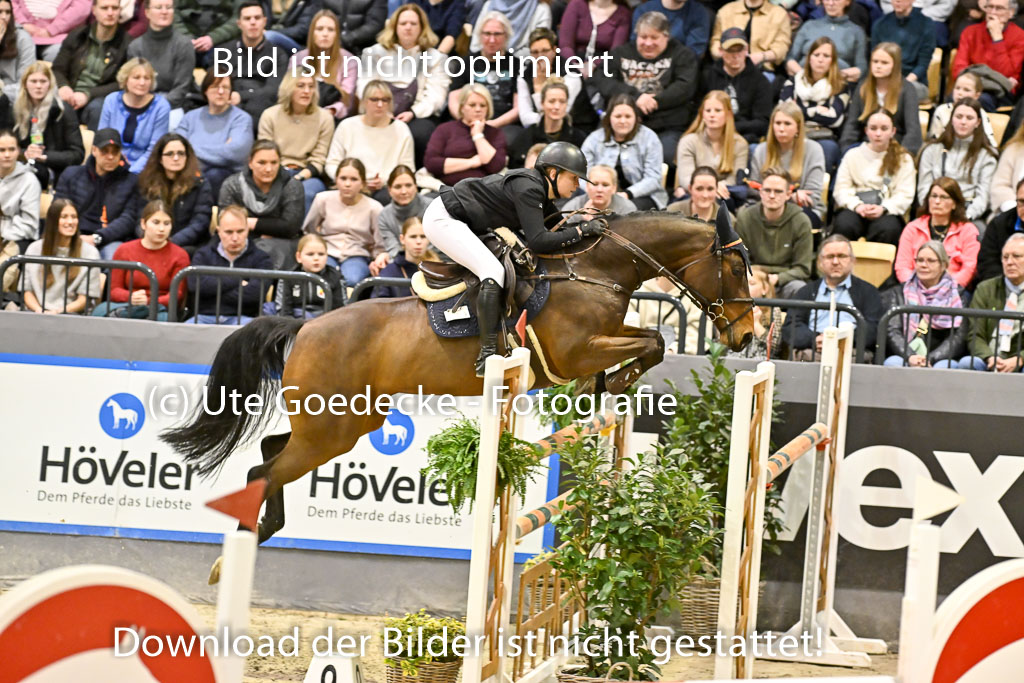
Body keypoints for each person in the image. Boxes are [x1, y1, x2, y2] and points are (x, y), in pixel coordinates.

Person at [421, 141, 604, 374]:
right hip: (443, 219)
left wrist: (585, 231)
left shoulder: (542, 194)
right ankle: (487, 354)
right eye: (574, 178)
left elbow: (558, 231)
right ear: (553, 173)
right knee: (492, 271)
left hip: (463, 221)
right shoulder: (529, 189)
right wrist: (581, 231)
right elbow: (539, 241)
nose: (578, 185)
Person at [594, 10, 699, 164]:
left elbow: (685, 87)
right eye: (643, 37)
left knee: (666, 156)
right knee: (602, 157)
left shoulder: (683, 55)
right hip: (622, 122)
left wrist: (655, 101)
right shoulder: (620, 53)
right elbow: (603, 80)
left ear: (666, 37)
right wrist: (635, 98)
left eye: (654, 38)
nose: (648, 43)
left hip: (667, 125)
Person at [359, 4, 450, 166]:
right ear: (394, 27)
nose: (408, 27)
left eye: (413, 24)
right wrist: (382, 110)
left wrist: (413, 113)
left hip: (415, 115)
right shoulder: (374, 53)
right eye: (403, 23)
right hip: (378, 109)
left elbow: (437, 96)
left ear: (422, 28)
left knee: (421, 132)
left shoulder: (436, 58)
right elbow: (364, 86)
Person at [782, 234, 884, 360]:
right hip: (812, 351)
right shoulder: (805, 292)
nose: (835, 262)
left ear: (853, 261)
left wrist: (840, 339)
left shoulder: (868, 291)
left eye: (841, 256)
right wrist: (815, 339)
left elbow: (874, 328)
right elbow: (791, 326)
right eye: (830, 257)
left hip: (851, 352)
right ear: (820, 263)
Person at [91, 199, 190, 319]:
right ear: (143, 224)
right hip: (126, 305)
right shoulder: (124, 250)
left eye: (167, 223)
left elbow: (177, 295)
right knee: (100, 311)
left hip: (159, 309)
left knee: (162, 317)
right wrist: (131, 297)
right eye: (156, 222)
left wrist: (148, 301)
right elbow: (114, 290)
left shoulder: (180, 255)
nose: (161, 229)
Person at [301, 157, 388, 288]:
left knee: (351, 279)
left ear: (363, 183)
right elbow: (310, 230)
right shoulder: (322, 199)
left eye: (354, 179)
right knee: (324, 277)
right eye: (343, 178)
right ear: (336, 180)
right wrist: (317, 250)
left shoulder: (374, 208)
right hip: (327, 252)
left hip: (357, 255)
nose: (347, 184)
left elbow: (380, 243)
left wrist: (377, 258)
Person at [833, 107, 916, 244]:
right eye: (873, 128)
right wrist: (857, 206)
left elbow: (905, 194)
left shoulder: (904, 159)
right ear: (866, 131)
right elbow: (841, 189)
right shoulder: (852, 155)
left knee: (889, 229)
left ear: (893, 131)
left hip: (886, 211)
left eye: (884, 129)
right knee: (844, 224)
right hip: (856, 209)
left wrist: (884, 208)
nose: (878, 133)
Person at [53, 128, 140, 258]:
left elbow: (128, 219)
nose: (110, 157)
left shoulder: (132, 181)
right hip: (73, 234)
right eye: (105, 151)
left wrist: (97, 238)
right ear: (94, 150)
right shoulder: (71, 175)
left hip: (111, 239)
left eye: (115, 152)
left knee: (114, 256)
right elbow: (57, 211)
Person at [218, 140, 304, 270]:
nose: (268, 169)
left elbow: (290, 227)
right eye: (261, 163)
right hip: (239, 240)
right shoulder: (233, 185)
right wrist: (270, 228)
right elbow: (227, 224)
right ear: (250, 163)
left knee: (266, 250)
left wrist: (251, 223)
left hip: (283, 243)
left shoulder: (292, 186)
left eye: (274, 163)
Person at [326, 80, 416, 203]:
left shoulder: (401, 129)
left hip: (386, 187)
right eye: (374, 99)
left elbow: (407, 167)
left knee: (385, 198)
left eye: (385, 100)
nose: (380, 104)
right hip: (350, 185)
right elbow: (332, 163)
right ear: (364, 101)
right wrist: (351, 180)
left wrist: (385, 180)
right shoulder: (347, 126)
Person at [883, 240, 969, 368]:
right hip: (906, 355)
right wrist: (910, 356)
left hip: (940, 358)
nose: (924, 265)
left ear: (943, 265)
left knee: (943, 367)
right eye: (920, 260)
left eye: (931, 261)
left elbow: (958, 336)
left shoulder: (957, 294)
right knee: (892, 363)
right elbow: (893, 330)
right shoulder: (900, 292)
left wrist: (931, 358)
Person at [258, 72, 333, 214]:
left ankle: (302, 229)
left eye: (311, 86)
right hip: (274, 171)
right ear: (289, 88)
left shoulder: (325, 118)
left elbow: (319, 159)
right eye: (301, 86)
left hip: (306, 174)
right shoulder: (270, 115)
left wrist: (298, 178)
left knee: (307, 193)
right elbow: (265, 153)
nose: (307, 91)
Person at [447, 12, 523, 151]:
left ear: (506, 36)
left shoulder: (517, 65)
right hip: (468, 122)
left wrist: (492, 124)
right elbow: (453, 101)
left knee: (510, 140)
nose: (492, 40)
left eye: (497, 34)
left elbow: (518, 107)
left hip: (503, 124)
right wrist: (469, 122)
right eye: (487, 34)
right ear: (480, 35)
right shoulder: (465, 63)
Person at [916, 98, 997, 229]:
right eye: (959, 117)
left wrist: (965, 217)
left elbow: (983, 197)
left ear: (978, 122)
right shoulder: (931, 150)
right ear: (951, 119)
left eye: (969, 118)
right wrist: (936, 211)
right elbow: (924, 189)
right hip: (935, 209)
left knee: (979, 230)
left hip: (968, 213)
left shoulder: (987, 156)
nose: (963, 122)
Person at [188, 204, 274, 325]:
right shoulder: (203, 255)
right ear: (218, 231)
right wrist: (237, 280)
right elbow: (196, 286)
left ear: (248, 230)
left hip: (244, 319)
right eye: (229, 232)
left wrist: (213, 293)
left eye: (240, 231)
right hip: (204, 317)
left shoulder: (262, 258)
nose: (235, 238)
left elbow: (255, 294)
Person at [51, 0, 131, 129]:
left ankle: (98, 143)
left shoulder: (127, 44)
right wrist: (63, 86)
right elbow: (58, 69)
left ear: (120, 11)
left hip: (98, 98)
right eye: (104, 8)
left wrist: (88, 94)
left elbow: (122, 83)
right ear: (94, 10)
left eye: (115, 8)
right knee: (51, 105)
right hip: (70, 94)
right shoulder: (78, 36)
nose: (110, 13)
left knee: (99, 108)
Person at [735, 167, 813, 298]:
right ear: (760, 192)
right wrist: (758, 278)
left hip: (786, 281)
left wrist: (778, 278)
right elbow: (739, 261)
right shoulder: (746, 217)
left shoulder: (801, 221)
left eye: (778, 191)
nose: (772, 196)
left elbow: (803, 268)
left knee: (799, 288)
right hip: (754, 278)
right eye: (767, 190)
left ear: (788, 194)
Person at [581, 93, 667, 210]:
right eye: (618, 116)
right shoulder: (594, 139)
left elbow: (653, 178)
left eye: (628, 116)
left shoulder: (650, 138)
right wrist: (596, 192)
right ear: (609, 117)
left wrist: (627, 194)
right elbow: (582, 175)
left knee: (624, 212)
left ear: (636, 118)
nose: (622, 121)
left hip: (640, 196)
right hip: (599, 194)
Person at [748, 102, 827, 227]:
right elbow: (753, 191)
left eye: (787, 124)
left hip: (802, 210)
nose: (781, 129)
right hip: (765, 206)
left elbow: (812, 197)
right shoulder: (761, 150)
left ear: (798, 128)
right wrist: (792, 196)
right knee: (745, 217)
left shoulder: (814, 150)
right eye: (778, 123)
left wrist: (777, 197)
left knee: (799, 221)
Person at [175, 72, 253, 198]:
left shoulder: (241, 119)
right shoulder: (190, 117)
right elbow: (177, 148)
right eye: (215, 87)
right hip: (191, 174)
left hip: (226, 180)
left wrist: (191, 150)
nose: (221, 92)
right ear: (205, 90)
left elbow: (235, 152)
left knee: (215, 173)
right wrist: (221, 149)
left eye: (225, 87)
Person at [778, 37, 849, 170]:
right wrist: (816, 110)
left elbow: (835, 119)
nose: (820, 60)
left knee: (828, 149)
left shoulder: (840, 86)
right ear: (809, 58)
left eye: (826, 56)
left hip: (823, 136)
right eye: (816, 55)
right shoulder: (793, 82)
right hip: (793, 133)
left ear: (833, 60)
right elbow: (783, 112)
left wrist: (799, 110)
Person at [12, 61, 83, 190]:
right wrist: (24, 153)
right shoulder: (16, 110)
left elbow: (77, 154)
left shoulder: (63, 111)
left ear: (50, 85)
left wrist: (44, 156)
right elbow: (7, 146)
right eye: (33, 81)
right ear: (25, 84)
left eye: (43, 81)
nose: (38, 86)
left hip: (53, 170)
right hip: (22, 165)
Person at [840, 42, 922, 155]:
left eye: (884, 63)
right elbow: (852, 125)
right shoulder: (863, 87)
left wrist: (901, 156)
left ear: (895, 65)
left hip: (895, 148)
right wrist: (847, 150)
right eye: (875, 61)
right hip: (866, 147)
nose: (878, 66)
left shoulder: (907, 90)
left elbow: (913, 131)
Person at [137, 132, 214, 253]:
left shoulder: (200, 183)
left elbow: (200, 222)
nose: (176, 158)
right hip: (152, 242)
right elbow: (139, 218)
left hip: (188, 245)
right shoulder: (147, 182)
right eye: (170, 154)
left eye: (181, 153)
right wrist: (150, 240)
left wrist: (171, 243)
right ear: (160, 159)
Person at [957, 233, 1024, 371]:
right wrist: (989, 357)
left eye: (1016, 256)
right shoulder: (985, 288)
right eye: (1005, 257)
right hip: (988, 359)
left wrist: (1020, 359)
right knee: (966, 363)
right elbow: (975, 334)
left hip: (1020, 360)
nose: (1009, 262)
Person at [22, 199, 102, 313]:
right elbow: (27, 291)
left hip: (71, 315)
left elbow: (84, 299)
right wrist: (39, 310)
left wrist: (57, 312)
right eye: (64, 217)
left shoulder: (91, 253)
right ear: (53, 221)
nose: (70, 222)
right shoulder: (33, 249)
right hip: (36, 312)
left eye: (74, 217)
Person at [897, 177, 979, 288]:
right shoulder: (913, 228)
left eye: (943, 197)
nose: (937, 201)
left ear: (954, 204)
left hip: (952, 289)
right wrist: (915, 287)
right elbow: (902, 266)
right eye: (934, 196)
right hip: (915, 288)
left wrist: (947, 288)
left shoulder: (967, 230)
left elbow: (969, 268)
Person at [215, 1, 289, 123]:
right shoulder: (224, 52)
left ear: (264, 21)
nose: (253, 22)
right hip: (229, 103)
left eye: (257, 18)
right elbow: (216, 84)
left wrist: (241, 96)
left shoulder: (278, 54)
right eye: (247, 18)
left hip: (260, 107)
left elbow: (272, 90)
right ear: (239, 24)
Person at [125, 0, 194, 130]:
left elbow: (182, 88)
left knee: (169, 124)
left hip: (173, 105)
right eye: (158, 7)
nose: (164, 12)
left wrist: (156, 107)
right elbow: (133, 84)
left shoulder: (184, 45)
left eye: (169, 7)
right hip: (142, 102)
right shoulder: (135, 46)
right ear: (147, 12)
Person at [97, 58, 170, 173]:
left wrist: (130, 172)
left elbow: (155, 149)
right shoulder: (111, 100)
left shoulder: (161, 106)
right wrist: (117, 162)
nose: (142, 83)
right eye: (136, 77)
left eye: (147, 78)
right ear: (126, 80)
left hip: (145, 169)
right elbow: (102, 138)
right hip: (111, 162)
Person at [674, 90, 748, 204]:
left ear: (728, 114)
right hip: (693, 194)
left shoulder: (740, 144)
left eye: (718, 110)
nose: (712, 115)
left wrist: (714, 188)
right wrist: (708, 188)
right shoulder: (688, 141)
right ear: (702, 114)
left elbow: (735, 179)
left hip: (724, 194)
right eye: (708, 110)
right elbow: (686, 178)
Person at [426, 83, 507, 187]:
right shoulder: (444, 129)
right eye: (472, 105)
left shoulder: (495, 133)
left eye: (483, 105)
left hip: (484, 190)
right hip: (447, 189)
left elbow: (495, 166)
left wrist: (478, 135)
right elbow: (431, 163)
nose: (478, 109)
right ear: (462, 107)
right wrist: (471, 162)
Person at [701, 29, 772, 144]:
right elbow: (698, 111)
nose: (735, 55)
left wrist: (730, 127)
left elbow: (763, 122)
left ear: (747, 50)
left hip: (746, 139)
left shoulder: (760, 81)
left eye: (739, 50)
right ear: (721, 51)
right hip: (711, 134)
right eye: (730, 50)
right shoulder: (708, 77)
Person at [952, 0, 1024, 108]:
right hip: (970, 87)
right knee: (953, 98)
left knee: (980, 100)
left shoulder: (1020, 36)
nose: (993, 12)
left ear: (1011, 12)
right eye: (990, 7)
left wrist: (997, 39)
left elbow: (1006, 73)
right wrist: (975, 83)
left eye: (999, 8)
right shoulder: (970, 32)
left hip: (1001, 91)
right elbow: (959, 68)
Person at [289, 9, 357, 120]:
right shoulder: (297, 59)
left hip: (332, 118)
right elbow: (290, 93)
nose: (325, 34)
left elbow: (347, 101)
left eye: (331, 30)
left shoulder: (349, 60)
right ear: (312, 33)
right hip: (300, 115)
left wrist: (329, 112)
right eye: (320, 29)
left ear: (336, 34)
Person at [786, 0, 867, 85]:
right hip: (803, 82)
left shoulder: (856, 32)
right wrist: (804, 76)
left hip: (837, 83)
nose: (831, 3)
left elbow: (861, 68)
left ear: (847, 2)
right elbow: (790, 59)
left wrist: (836, 76)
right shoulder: (809, 26)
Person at [509, 79, 586, 168]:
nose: (557, 107)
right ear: (542, 103)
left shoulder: (578, 138)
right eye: (551, 101)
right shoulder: (526, 137)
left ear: (567, 104)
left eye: (562, 101)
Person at [870, 0, 936, 102]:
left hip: (913, 81)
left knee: (900, 91)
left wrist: (903, 83)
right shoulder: (880, 24)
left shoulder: (926, 25)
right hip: (883, 78)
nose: (897, 1)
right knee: (864, 88)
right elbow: (874, 57)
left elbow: (923, 64)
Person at [516, 28, 582, 130]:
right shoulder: (525, 75)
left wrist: (539, 88)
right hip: (537, 130)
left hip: (574, 128)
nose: (540, 57)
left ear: (554, 50)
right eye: (535, 52)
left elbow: (558, 115)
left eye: (545, 51)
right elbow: (525, 118)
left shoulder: (570, 74)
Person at [708, 0, 791, 76]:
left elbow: (781, 48)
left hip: (761, 69)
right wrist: (725, 55)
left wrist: (760, 56)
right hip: (726, 67)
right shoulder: (726, 11)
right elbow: (715, 42)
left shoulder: (779, 14)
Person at [273, 233, 345, 317]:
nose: (316, 258)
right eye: (310, 254)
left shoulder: (335, 276)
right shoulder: (288, 276)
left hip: (325, 319)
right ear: (299, 257)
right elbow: (284, 310)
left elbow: (340, 309)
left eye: (321, 254)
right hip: (295, 319)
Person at [373, 216, 439, 297]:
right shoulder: (388, 272)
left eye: (423, 236)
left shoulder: (437, 269)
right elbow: (378, 302)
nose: (418, 241)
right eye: (413, 236)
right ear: (402, 239)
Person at [728, 267, 786, 359]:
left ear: (765, 289)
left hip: (761, 361)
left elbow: (774, 347)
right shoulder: (731, 308)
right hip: (733, 359)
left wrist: (756, 323)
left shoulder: (773, 310)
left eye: (751, 283)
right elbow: (722, 343)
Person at [928, 72, 998, 146]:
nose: (960, 93)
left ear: (976, 95)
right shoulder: (942, 110)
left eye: (966, 90)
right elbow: (934, 139)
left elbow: (991, 142)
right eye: (957, 88)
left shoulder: (980, 113)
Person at [0, 128, 40, 252]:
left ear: (18, 151)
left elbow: (29, 225)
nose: (7, 155)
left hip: (17, 240)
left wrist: (3, 236)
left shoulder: (30, 181)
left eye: (11, 149)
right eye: (2, 150)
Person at [12, 0, 91, 62]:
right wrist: (23, 23)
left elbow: (81, 9)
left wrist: (52, 29)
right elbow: (10, 4)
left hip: (60, 36)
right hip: (19, 33)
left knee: (58, 54)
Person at [379, 164, 429, 257]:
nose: (404, 191)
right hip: (402, 261)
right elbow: (393, 250)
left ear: (416, 187)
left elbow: (438, 245)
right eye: (398, 187)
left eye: (408, 185)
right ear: (389, 190)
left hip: (433, 260)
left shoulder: (431, 208)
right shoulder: (384, 216)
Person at [979, 178, 1024, 281]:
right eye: (1022, 202)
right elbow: (987, 265)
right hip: (1006, 285)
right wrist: (1010, 285)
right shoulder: (999, 224)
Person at [630, 0, 710, 57]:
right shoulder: (644, 10)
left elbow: (694, 52)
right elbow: (636, 46)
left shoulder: (699, 12)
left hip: (681, 68)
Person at [558, 0, 631, 61]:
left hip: (603, 64)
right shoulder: (577, 4)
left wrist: (593, 65)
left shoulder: (623, 14)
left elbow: (615, 52)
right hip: (572, 59)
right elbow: (565, 45)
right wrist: (574, 65)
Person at [468, 0, 552, 52]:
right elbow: (475, 45)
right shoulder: (489, 5)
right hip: (486, 62)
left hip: (522, 66)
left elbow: (539, 49)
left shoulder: (541, 9)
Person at [173, 0, 241, 64]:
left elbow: (240, 16)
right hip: (182, 40)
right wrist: (186, 38)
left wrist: (213, 38)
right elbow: (171, 11)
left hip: (223, 41)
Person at [560, 163, 638, 217]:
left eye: (605, 185)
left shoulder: (627, 209)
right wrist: (585, 224)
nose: (599, 190)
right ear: (587, 186)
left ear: (614, 188)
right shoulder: (572, 208)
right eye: (594, 184)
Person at [322, 0, 387, 54]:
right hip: (328, 48)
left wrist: (343, 41)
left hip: (362, 50)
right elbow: (318, 18)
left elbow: (374, 25)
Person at [0, 0, 34, 101]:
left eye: (8, 12)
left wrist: (2, 91)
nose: (4, 17)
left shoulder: (23, 38)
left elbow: (25, 83)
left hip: (12, 97)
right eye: (0, 12)